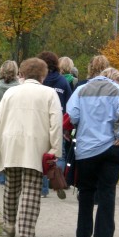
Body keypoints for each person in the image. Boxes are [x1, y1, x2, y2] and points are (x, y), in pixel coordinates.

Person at [0, 58, 63, 237]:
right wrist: (55, 150)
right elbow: (56, 125)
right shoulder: (49, 94)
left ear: (22, 74)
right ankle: (27, 231)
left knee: (11, 187)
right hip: (37, 148)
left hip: (10, 146)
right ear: (43, 75)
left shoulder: (11, 93)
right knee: (31, 189)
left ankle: (9, 224)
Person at [66, 65, 119, 237]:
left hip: (87, 147)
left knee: (86, 189)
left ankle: (83, 232)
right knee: (107, 190)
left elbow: (72, 115)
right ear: (115, 78)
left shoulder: (81, 89)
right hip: (112, 146)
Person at [37, 51, 72, 197]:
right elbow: (69, 103)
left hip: (41, 121)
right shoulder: (62, 81)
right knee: (59, 155)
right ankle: (57, 182)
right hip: (59, 122)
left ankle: (43, 188)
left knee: (41, 154)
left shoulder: (40, 81)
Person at [0, 60, 20, 184]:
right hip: (15, 123)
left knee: (2, 152)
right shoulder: (20, 88)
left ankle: (2, 176)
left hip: (1, 123)